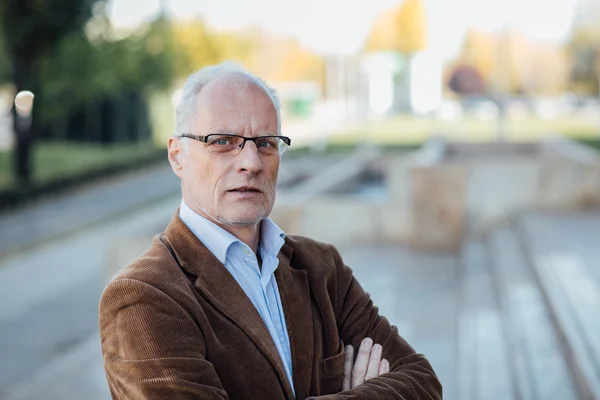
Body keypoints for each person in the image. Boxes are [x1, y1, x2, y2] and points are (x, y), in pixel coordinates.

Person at [99, 62, 442, 400]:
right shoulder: (143, 297)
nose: (251, 162)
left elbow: (423, 383)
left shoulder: (322, 268)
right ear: (177, 155)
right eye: (222, 141)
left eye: (265, 142)